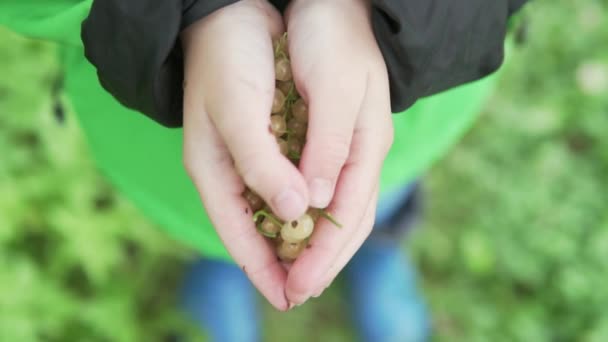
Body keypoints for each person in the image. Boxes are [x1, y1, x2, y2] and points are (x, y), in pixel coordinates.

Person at [0, 0, 528, 340]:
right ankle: (219, 262)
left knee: (374, 184)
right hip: (159, 113)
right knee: (216, 211)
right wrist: (194, 11)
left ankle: (379, 247)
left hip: (409, 87)